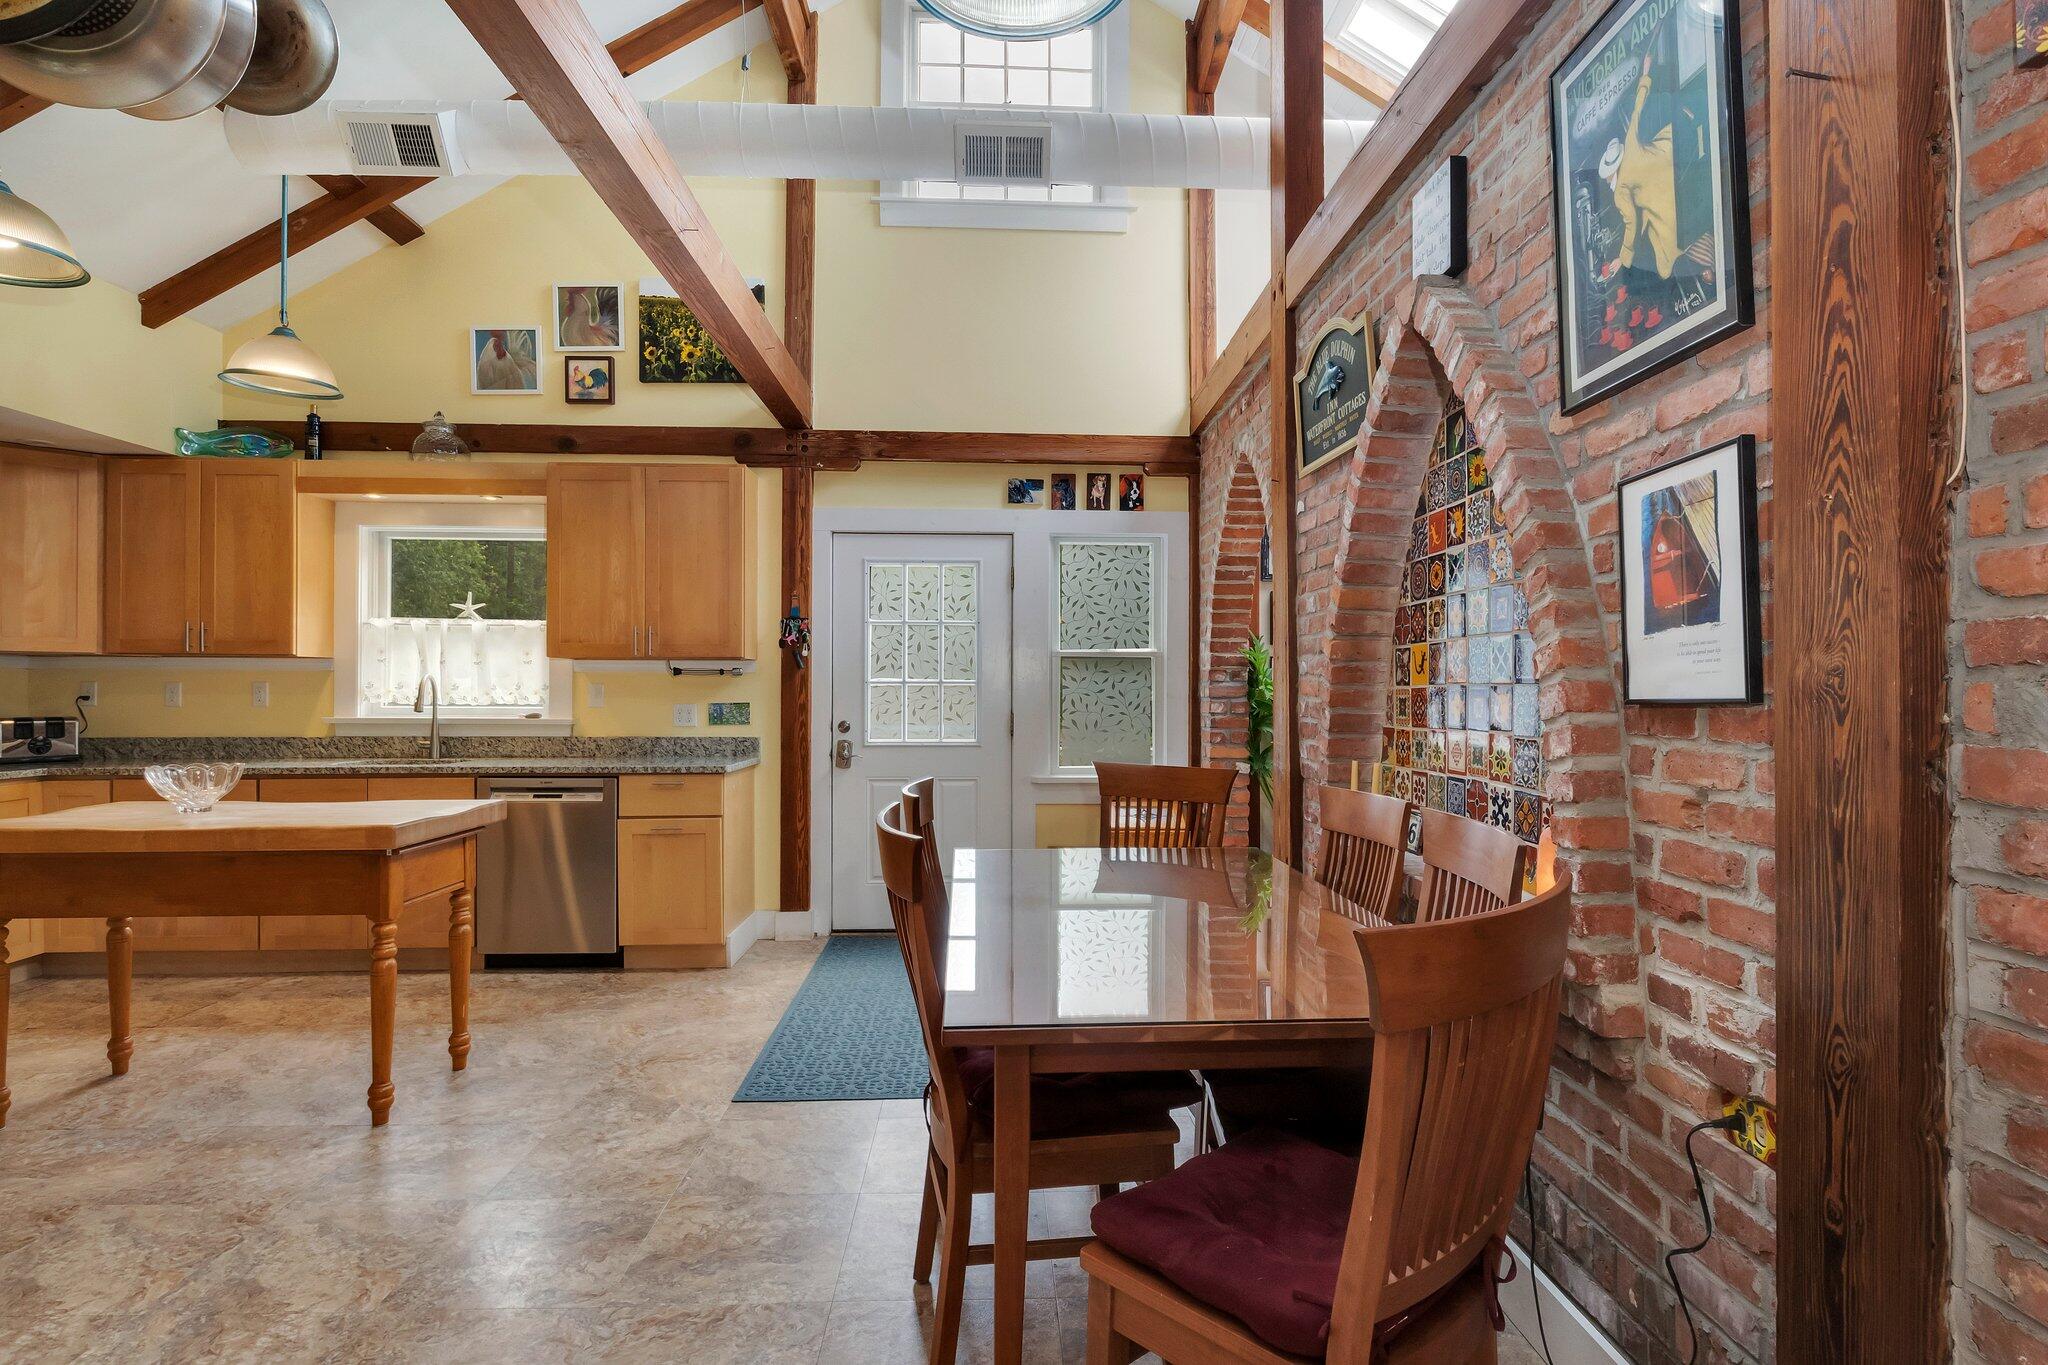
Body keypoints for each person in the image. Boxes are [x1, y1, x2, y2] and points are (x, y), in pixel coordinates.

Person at [1601, 51, 1680, 281]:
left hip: (1665, 201)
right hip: (1670, 150)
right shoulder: (1630, 143)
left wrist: (1622, 258)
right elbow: (1638, 106)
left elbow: (1631, 224)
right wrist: (1645, 72)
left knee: (1665, 264)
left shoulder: (1620, 192)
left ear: (1610, 172)